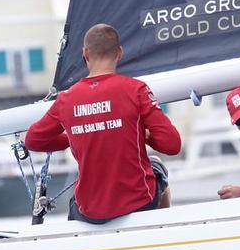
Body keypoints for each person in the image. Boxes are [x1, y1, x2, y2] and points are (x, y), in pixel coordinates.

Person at [25, 23, 182, 223]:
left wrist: (76, 135)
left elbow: (33, 140)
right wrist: (147, 136)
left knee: (77, 198)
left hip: (90, 212)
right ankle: (161, 234)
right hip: (137, 203)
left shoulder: (67, 99)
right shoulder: (136, 90)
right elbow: (172, 145)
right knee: (157, 167)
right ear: (120, 53)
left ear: (85, 53)